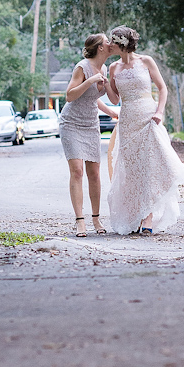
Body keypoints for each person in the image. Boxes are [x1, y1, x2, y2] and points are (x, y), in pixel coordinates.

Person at [105, 26, 184, 235]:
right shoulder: (113, 67)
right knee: (132, 171)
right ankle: (135, 216)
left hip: (148, 116)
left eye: (112, 41)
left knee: (150, 166)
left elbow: (162, 88)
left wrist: (160, 112)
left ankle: (148, 217)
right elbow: (115, 99)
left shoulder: (146, 61)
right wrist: (106, 83)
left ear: (122, 43)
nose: (109, 45)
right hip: (127, 121)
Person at [58, 33, 119, 237]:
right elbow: (70, 95)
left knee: (94, 173)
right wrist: (90, 80)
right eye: (107, 41)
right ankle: (80, 221)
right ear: (100, 48)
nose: (111, 44)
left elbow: (94, 98)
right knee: (77, 171)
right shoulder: (82, 67)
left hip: (91, 124)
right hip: (71, 123)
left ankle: (96, 218)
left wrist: (110, 111)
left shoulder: (103, 68)